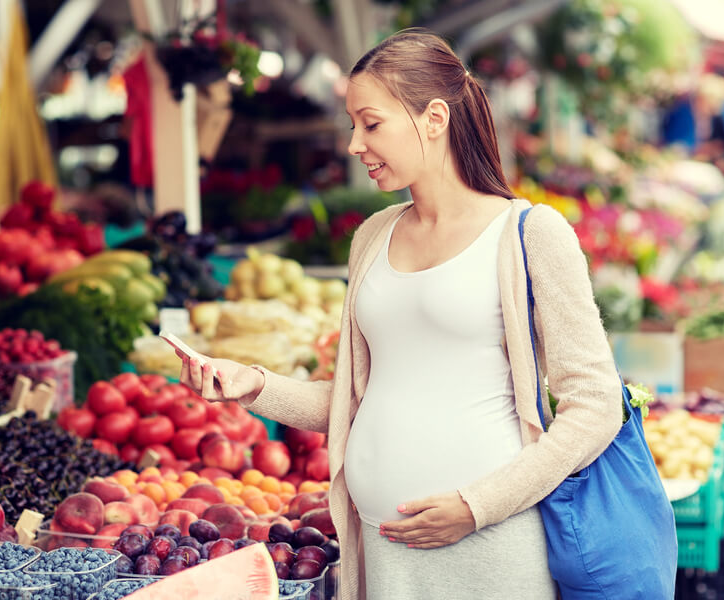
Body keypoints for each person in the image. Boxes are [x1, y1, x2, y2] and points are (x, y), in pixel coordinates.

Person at [177, 29, 623, 600]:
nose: (353, 144)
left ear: (433, 118)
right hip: (382, 550)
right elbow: (355, 400)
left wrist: (475, 506)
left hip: (490, 547)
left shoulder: (530, 235)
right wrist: (253, 385)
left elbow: (595, 404)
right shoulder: (371, 238)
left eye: (371, 123)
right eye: (352, 124)